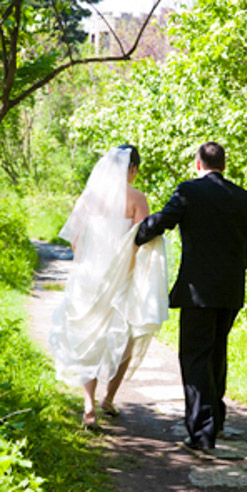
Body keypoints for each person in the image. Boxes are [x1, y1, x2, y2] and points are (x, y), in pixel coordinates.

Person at [135, 142, 247, 451]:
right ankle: (215, 421)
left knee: (194, 358)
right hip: (230, 290)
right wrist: (234, 269)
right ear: (224, 165)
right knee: (216, 353)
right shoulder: (244, 198)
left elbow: (164, 221)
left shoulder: (189, 191)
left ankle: (202, 436)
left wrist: (135, 236)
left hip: (198, 291)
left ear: (198, 164)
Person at [49, 145, 169, 427]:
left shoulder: (90, 197)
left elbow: (75, 237)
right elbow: (141, 242)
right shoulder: (137, 198)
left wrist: (85, 263)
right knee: (126, 337)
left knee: (88, 336)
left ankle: (88, 406)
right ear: (132, 169)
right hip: (122, 277)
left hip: (89, 275)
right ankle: (109, 398)